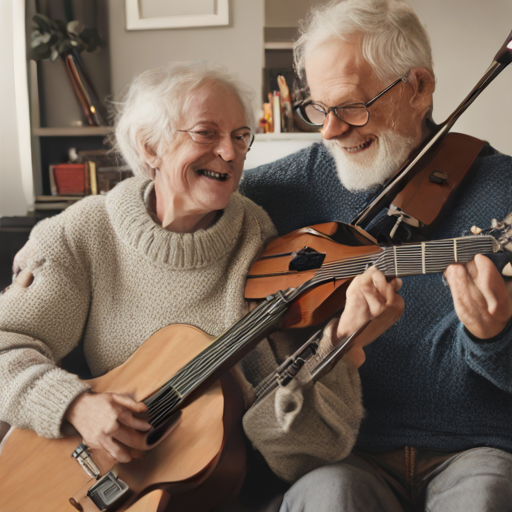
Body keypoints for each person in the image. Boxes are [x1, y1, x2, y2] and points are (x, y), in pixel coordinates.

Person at [0, 61, 403, 509]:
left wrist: (341, 345)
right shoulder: (85, 233)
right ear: (150, 146)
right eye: (207, 133)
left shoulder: (261, 243)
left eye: (240, 136)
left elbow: (298, 455)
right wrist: (74, 405)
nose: (230, 153)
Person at [240, 1, 512, 511]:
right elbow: (179, 201)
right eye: (318, 108)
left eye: (350, 106)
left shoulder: (505, 190)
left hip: (479, 448)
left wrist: (494, 339)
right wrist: (60, 242)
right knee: (329, 498)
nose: (329, 131)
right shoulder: (294, 182)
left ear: (419, 88)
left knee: (487, 497)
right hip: (349, 450)